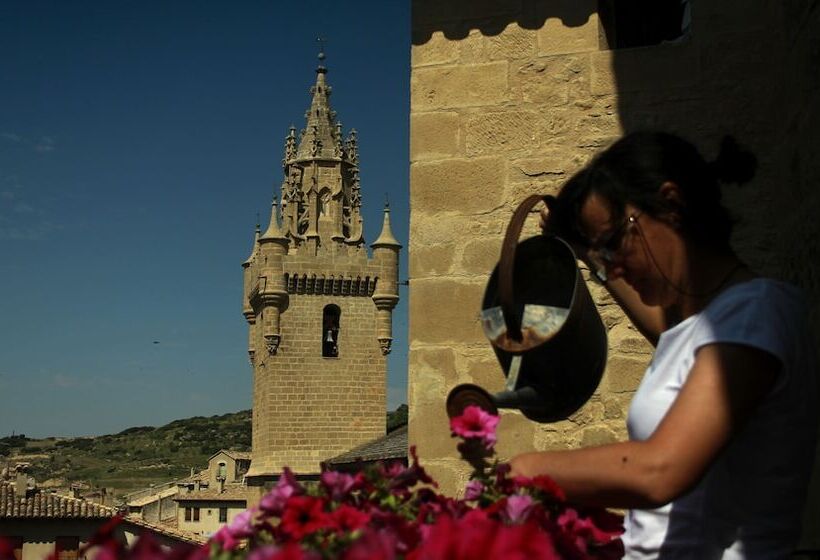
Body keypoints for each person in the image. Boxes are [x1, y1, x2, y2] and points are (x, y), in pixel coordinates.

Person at [508, 131, 819, 559]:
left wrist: (527, 469)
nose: (613, 267)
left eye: (615, 242)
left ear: (671, 205)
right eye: (604, 254)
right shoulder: (696, 328)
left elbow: (660, 470)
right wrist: (586, 253)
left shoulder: (755, 314)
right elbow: (664, 327)